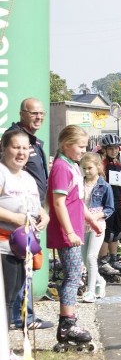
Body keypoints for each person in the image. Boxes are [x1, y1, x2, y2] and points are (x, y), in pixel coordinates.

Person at [47, 125, 105, 348]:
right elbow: (59, 202)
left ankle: (68, 322)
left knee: (74, 275)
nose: (84, 150)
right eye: (80, 146)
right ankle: (67, 324)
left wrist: (90, 220)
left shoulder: (72, 166)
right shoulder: (61, 167)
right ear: (66, 144)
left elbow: (77, 201)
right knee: (73, 276)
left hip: (76, 230)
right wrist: (70, 231)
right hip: (66, 232)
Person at [0, 128, 50, 329]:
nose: (21, 152)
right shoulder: (2, 172)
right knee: (5, 300)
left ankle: (6, 350)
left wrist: (43, 214)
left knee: (13, 300)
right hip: (3, 246)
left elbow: (34, 205)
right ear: (4, 148)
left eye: (25, 148)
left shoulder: (28, 178)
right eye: (16, 147)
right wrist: (15, 218)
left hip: (22, 248)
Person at [80, 152, 113, 302]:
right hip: (82, 224)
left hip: (97, 224)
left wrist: (96, 217)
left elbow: (109, 208)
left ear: (98, 167)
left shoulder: (104, 186)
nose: (87, 171)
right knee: (85, 259)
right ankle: (100, 281)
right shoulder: (79, 183)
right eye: (84, 168)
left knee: (91, 256)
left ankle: (90, 291)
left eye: (90, 168)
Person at [98, 133, 121, 278]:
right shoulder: (102, 165)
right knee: (107, 233)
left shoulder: (118, 165)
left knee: (116, 233)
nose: (113, 151)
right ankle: (103, 261)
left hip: (117, 201)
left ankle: (114, 259)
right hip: (106, 202)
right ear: (105, 149)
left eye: (116, 148)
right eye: (110, 148)